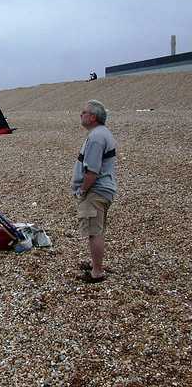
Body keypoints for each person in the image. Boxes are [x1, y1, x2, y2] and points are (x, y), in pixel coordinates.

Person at [71, 100, 117, 283]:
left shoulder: (97, 137)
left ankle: (97, 272)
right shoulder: (102, 133)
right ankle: (95, 264)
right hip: (103, 191)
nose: (80, 115)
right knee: (96, 229)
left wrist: (82, 190)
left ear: (93, 117)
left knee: (93, 231)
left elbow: (92, 171)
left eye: (84, 112)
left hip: (96, 192)